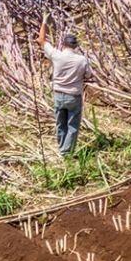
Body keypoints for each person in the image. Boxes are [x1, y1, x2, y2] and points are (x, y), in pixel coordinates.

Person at [38, 16, 92, 156]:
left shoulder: (57, 55)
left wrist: (44, 21)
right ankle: (66, 153)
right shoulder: (81, 60)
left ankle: (62, 149)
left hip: (58, 95)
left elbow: (41, 40)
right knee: (72, 125)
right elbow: (88, 75)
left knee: (60, 124)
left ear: (63, 44)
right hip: (74, 96)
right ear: (76, 46)